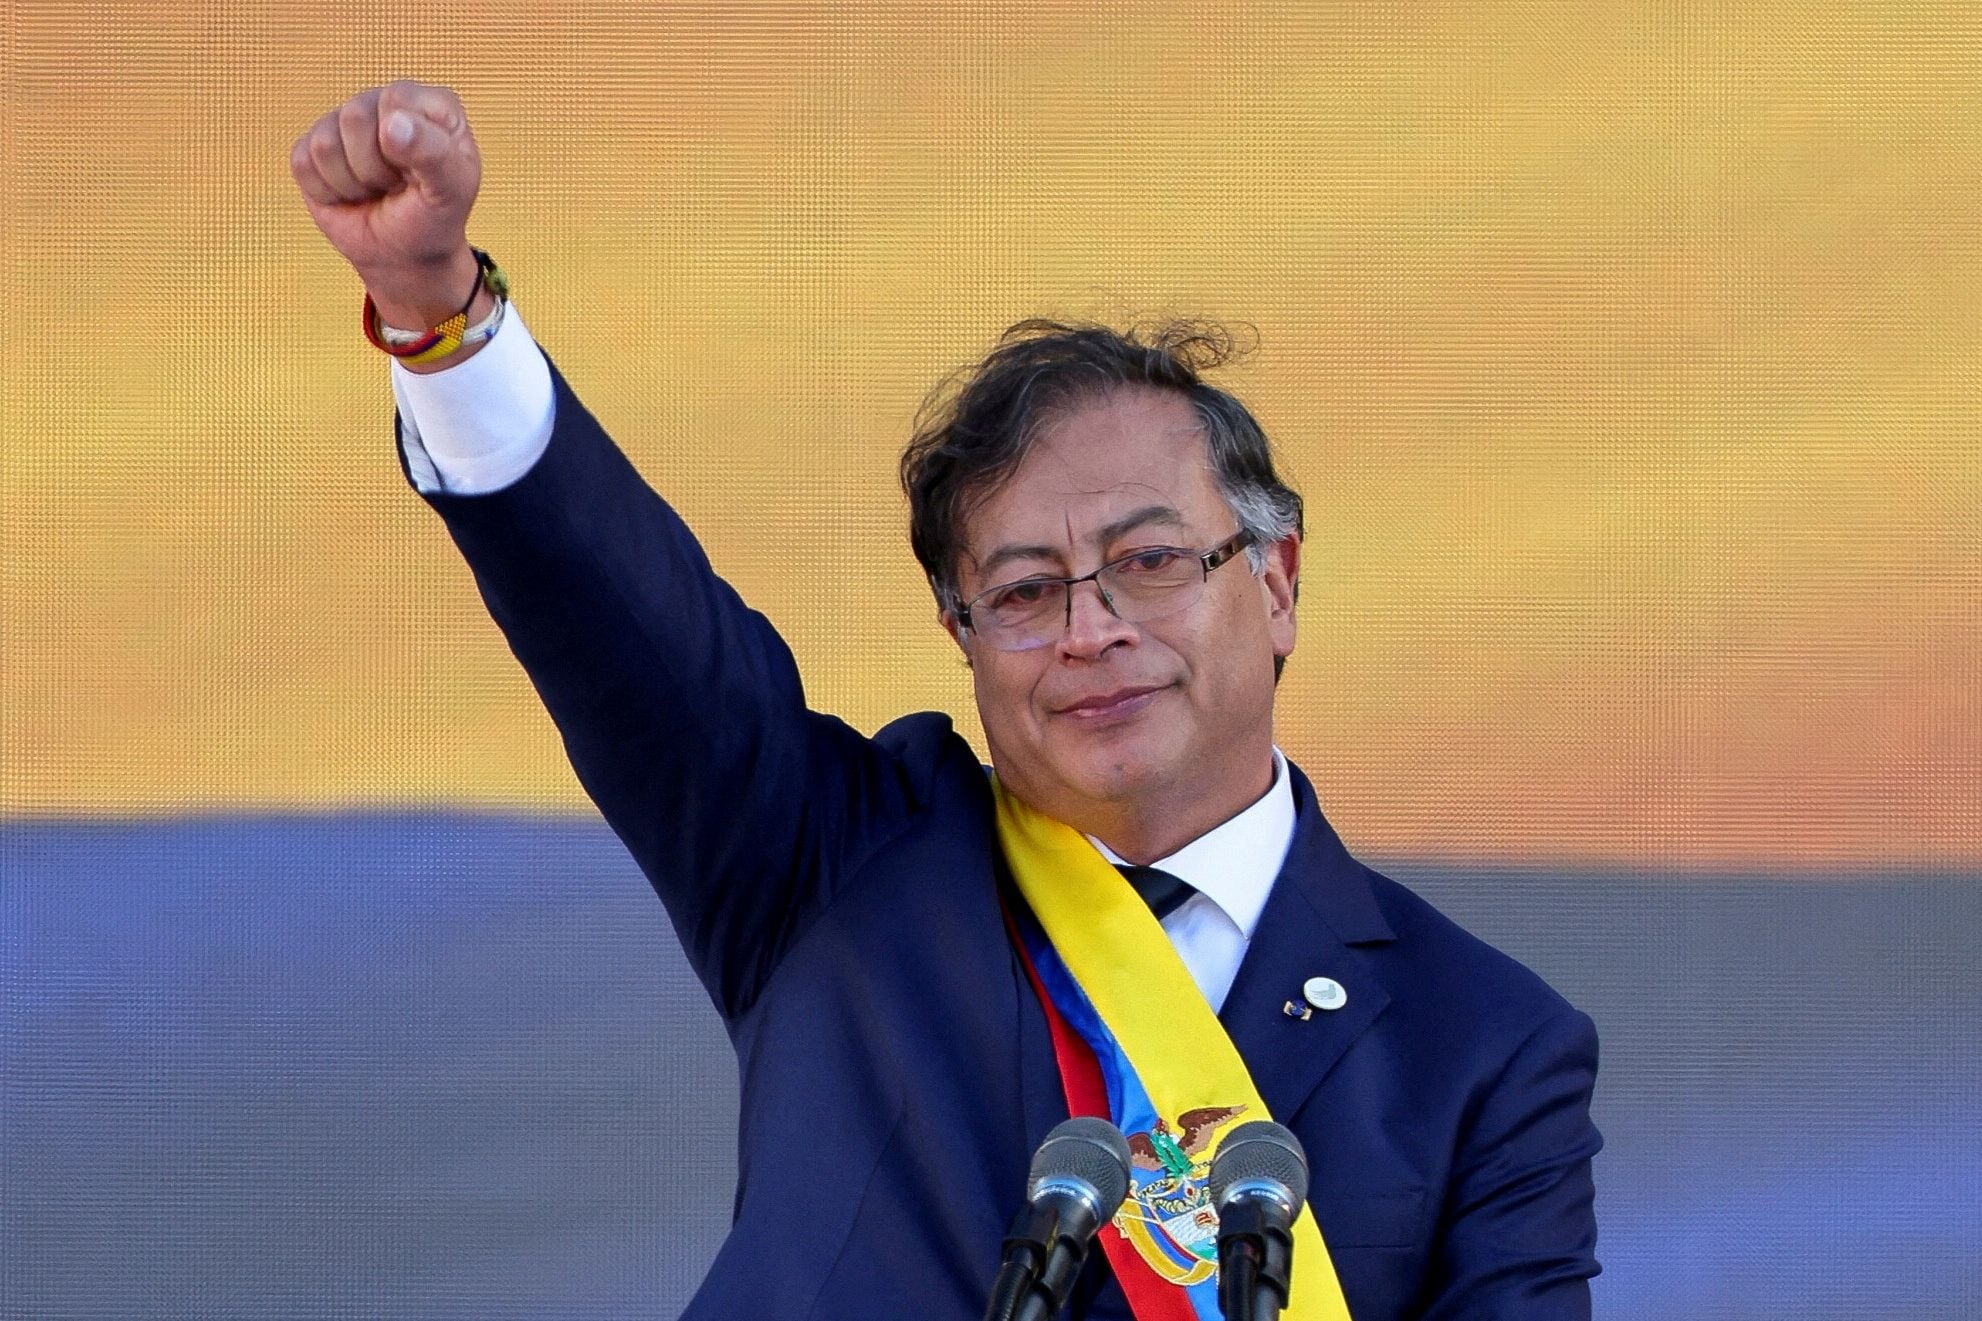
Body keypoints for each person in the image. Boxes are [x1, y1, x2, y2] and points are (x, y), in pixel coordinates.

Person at [292, 81, 1602, 1320]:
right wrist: (438, 311)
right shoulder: (833, 859)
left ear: (1274, 582)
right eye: (1025, 591)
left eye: (1146, 562)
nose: (1089, 629)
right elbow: (625, 625)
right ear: (958, 633)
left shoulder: (1479, 1046)